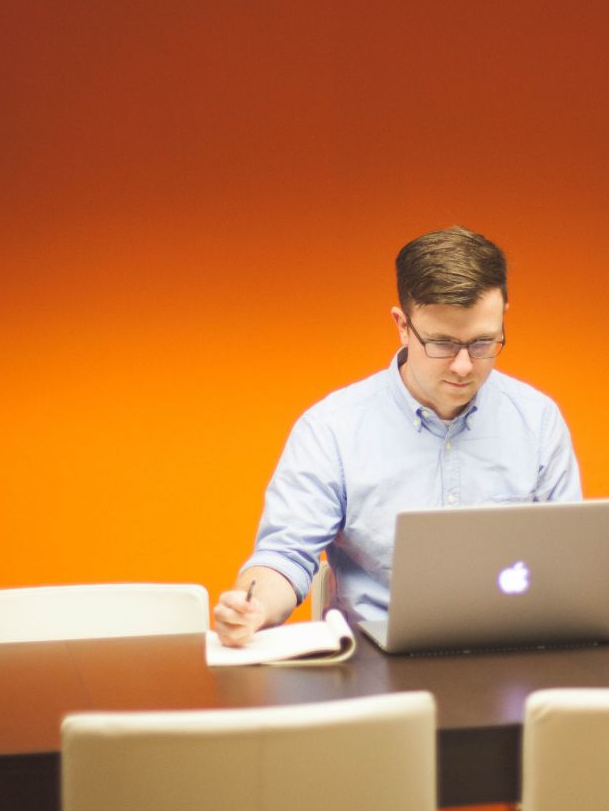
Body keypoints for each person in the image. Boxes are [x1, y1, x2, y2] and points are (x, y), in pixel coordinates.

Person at [214, 226, 581, 645]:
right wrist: (252, 607)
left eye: (482, 342)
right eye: (442, 343)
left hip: (511, 652)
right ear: (402, 326)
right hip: (374, 660)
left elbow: (569, 561)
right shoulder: (332, 429)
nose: (464, 366)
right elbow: (285, 555)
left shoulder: (537, 420)